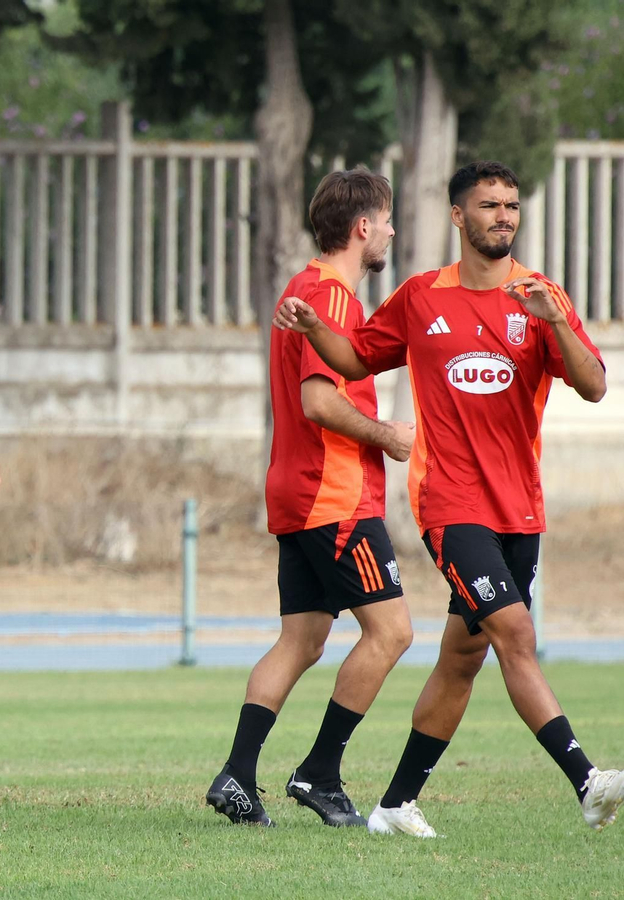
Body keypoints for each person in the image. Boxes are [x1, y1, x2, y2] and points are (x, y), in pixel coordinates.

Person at [275, 160, 624, 837]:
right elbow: (352, 360)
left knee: (464, 657)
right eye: (489, 205)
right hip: (449, 503)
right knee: (515, 633)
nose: (504, 216)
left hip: (519, 508)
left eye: (512, 206)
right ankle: (587, 780)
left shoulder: (541, 294)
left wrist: (553, 324)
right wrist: (312, 327)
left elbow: (594, 385)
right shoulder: (420, 297)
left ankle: (397, 802)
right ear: (459, 217)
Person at [205, 168, 415, 828]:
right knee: (393, 632)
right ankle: (320, 773)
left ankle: (237, 775)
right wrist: (388, 436)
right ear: (362, 228)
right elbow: (319, 400)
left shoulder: (301, 286)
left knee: (302, 639)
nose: (390, 230)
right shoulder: (330, 295)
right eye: (385, 220)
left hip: (295, 491)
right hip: (334, 496)